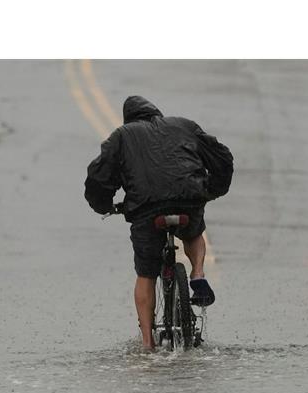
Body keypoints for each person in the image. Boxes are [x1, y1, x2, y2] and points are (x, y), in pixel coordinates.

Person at [84, 95, 234, 349]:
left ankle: (147, 344)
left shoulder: (122, 136)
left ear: (129, 119)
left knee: (146, 273)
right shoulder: (184, 126)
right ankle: (197, 271)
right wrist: (211, 190)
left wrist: (105, 205)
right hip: (189, 199)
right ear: (156, 113)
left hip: (147, 210)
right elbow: (222, 158)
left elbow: (99, 177)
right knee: (194, 232)